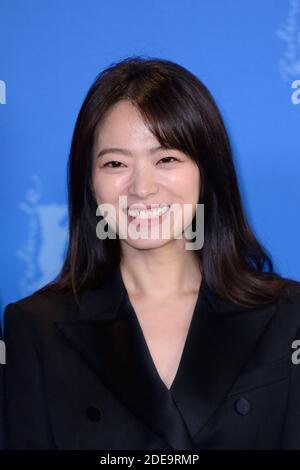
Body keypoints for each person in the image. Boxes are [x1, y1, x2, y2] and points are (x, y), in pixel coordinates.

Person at [3, 56, 300, 450]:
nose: (142, 188)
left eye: (166, 159)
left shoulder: (289, 313)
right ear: (90, 182)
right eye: (115, 163)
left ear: (206, 171)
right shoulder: (35, 327)